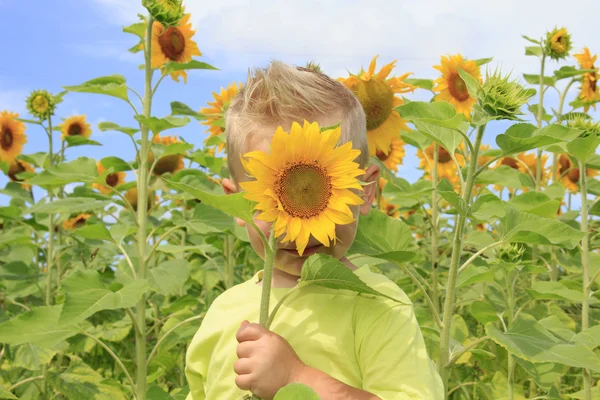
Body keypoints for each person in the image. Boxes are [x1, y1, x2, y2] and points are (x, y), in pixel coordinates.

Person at [185, 61, 444, 400]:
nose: (300, 229)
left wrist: (297, 377)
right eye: (274, 200)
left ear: (364, 193)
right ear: (236, 205)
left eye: (323, 193)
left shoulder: (379, 306)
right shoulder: (222, 312)